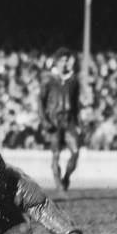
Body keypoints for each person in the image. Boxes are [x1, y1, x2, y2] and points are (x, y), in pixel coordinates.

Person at [38, 48, 81, 192]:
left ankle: (66, 177)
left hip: (69, 122)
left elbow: (75, 104)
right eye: (62, 60)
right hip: (54, 121)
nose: (64, 63)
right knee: (56, 153)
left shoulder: (73, 81)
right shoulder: (48, 79)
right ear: (56, 62)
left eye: (66, 60)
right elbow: (40, 101)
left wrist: (78, 122)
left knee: (75, 152)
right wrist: (44, 120)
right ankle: (58, 183)